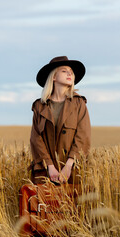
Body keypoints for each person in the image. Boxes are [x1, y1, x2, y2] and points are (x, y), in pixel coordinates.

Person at [29, 56, 91, 185]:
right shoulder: (40, 106)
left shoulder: (78, 103)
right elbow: (36, 139)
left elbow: (83, 136)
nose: (70, 73)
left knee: (73, 204)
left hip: (72, 171)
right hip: (45, 172)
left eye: (71, 72)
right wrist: (50, 166)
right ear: (53, 77)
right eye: (64, 71)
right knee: (43, 204)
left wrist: (68, 166)